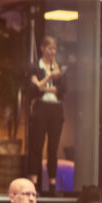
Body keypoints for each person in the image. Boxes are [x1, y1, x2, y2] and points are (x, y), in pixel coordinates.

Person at [28, 36, 68, 194]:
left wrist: (43, 86)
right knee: (36, 145)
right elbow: (33, 88)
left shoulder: (59, 68)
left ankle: (52, 183)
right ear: (42, 48)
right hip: (41, 107)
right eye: (50, 48)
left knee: (53, 147)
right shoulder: (35, 67)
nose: (53, 52)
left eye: (54, 49)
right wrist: (49, 78)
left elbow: (62, 90)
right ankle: (34, 182)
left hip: (56, 108)